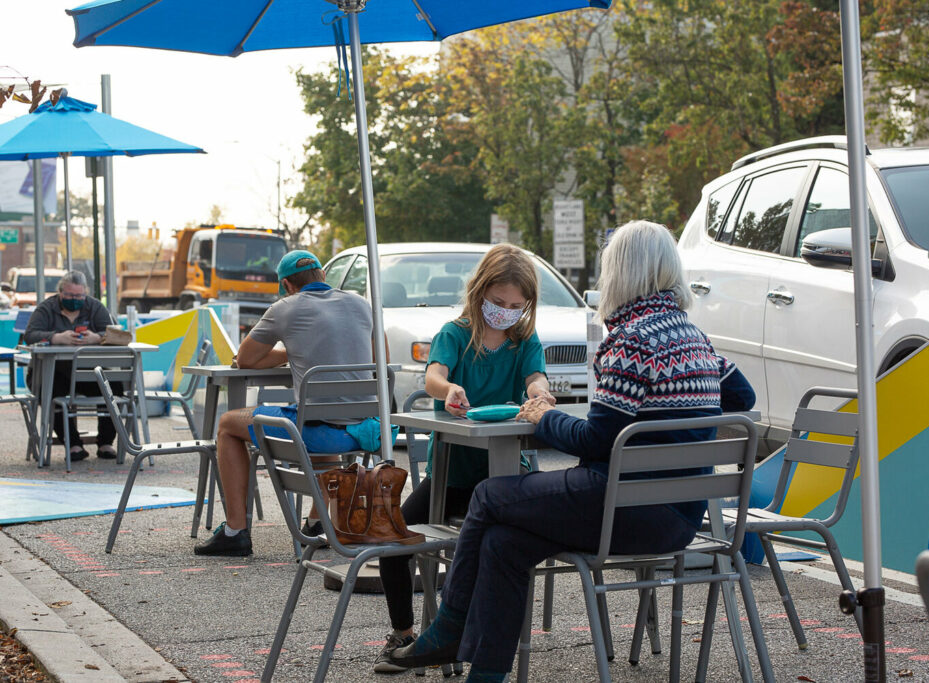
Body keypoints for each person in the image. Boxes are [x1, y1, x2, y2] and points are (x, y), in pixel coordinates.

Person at [389, 221, 756, 683]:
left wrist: (545, 419)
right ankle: (483, 673)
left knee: (487, 497)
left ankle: (447, 629)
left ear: (619, 270)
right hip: (678, 521)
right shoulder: (696, 340)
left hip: (618, 512)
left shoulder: (631, 340)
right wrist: (678, 416)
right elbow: (742, 399)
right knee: (505, 544)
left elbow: (596, 442)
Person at [374, 243, 555, 673]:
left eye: (516, 305)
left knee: (493, 552)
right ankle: (404, 635)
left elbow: (535, 376)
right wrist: (447, 390)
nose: (506, 312)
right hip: (453, 476)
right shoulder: (454, 333)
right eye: (498, 303)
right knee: (392, 540)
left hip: (509, 477)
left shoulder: (524, 341)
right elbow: (434, 374)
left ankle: (467, 638)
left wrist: (539, 393)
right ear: (479, 293)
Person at [194, 249, 383, 557]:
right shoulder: (363, 304)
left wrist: (290, 351)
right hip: (366, 428)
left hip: (319, 432)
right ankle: (316, 522)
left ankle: (235, 530)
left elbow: (245, 359)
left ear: (286, 286)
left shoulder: (285, 308)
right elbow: (379, 361)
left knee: (229, 424)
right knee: (321, 415)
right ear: (323, 276)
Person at [24, 270, 118, 462]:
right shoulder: (46, 309)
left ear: (85, 293)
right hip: (52, 373)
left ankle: (106, 443)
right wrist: (56, 337)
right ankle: (73, 443)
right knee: (50, 391)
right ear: (60, 292)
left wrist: (96, 338)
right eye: (69, 296)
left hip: (88, 372)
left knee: (113, 387)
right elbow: (30, 335)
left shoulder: (95, 307)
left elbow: (114, 333)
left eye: (79, 296)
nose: (74, 299)